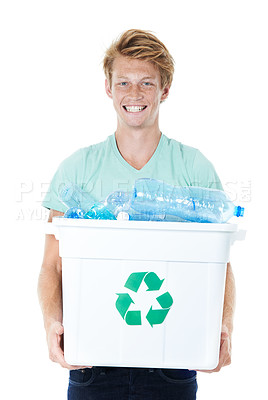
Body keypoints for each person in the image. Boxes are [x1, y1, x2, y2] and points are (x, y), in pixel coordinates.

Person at [38, 29, 235, 400]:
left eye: (147, 83)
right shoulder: (76, 170)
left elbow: (219, 265)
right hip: (91, 364)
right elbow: (53, 266)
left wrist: (223, 325)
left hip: (173, 364)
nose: (134, 94)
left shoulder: (194, 169)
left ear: (165, 89)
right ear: (108, 88)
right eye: (124, 82)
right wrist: (52, 323)